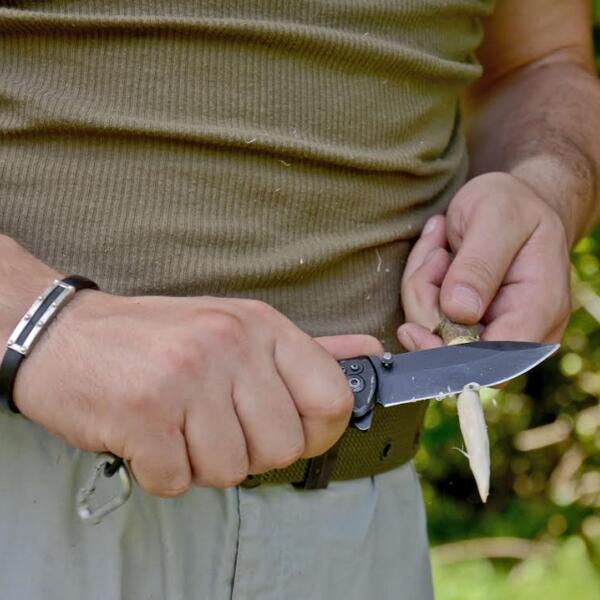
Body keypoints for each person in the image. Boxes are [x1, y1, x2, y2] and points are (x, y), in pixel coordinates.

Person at [0, 1, 598, 599]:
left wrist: (544, 190)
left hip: (364, 516)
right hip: (28, 475)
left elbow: (540, 65)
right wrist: (41, 324)